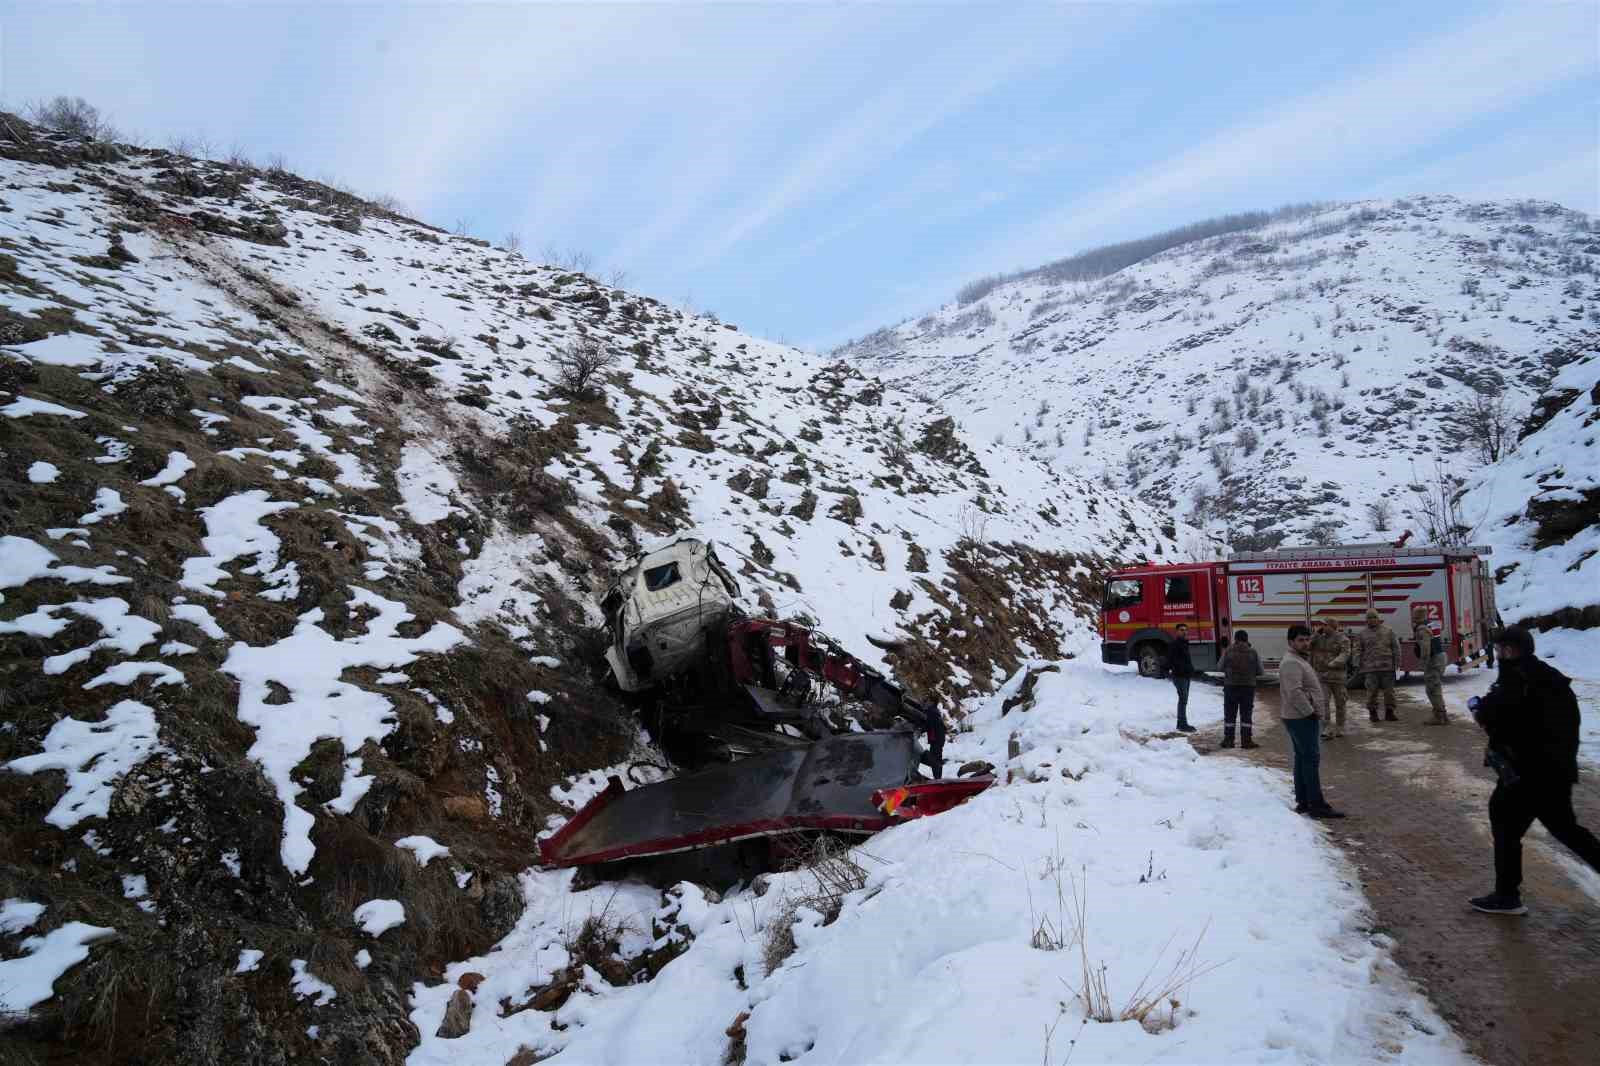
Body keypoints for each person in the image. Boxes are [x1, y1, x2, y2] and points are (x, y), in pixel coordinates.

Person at [1467, 626, 1600, 915]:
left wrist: (1482, 713)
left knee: (1506, 824)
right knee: (1567, 830)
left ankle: (1506, 896)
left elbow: (1502, 720)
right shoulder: (1547, 676)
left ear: (1511, 651)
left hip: (1528, 775)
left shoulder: (1518, 681)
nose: (1498, 655)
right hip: (1553, 772)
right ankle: (1506, 894)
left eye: (1500, 650)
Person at [1278, 624, 1346, 819]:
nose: (1306, 643)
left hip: (1298, 716)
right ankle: (1316, 805)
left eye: (1307, 639)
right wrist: (1310, 713)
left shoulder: (1298, 659)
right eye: (1301, 640)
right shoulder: (1292, 662)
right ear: (1291, 642)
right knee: (1310, 760)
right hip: (1301, 718)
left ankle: (1304, 801)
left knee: (1302, 759)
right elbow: (1294, 693)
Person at [1353, 608, 1401, 722]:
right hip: (1370, 669)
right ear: (1366, 620)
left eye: (1374, 617)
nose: (1372, 620)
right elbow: (1357, 650)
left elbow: (1396, 648)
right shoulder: (1361, 634)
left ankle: (1390, 712)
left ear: (1378, 618)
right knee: (1371, 692)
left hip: (1387, 668)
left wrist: (1398, 663)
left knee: (1389, 692)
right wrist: (1356, 664)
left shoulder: (1388, 631)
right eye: (1369, 618)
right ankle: (1373, 713)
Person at [1310, 615, 1352, 739]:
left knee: (1340, 702)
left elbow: (1345, 653)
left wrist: (1335, 662)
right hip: (1322, 677)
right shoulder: (1319, 638)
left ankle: (1340, 726)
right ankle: (1326, 728)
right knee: (1323, 703)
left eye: (1325, 625)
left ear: (1332, 626)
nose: (1322, 627)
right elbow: (1309, 646)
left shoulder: (1342, 638)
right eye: (1321, 625)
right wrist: (1316, 634)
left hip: (1337, 677)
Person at [1219, 630, 1261, 749]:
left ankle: (1228, 741)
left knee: (1230, 715)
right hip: (1248, 688)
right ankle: (1246, 741)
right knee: (1246, 715)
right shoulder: (1253, 652)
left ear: (1235, 639)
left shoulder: (1228, 651)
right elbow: (1260, 671)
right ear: (1247, 639)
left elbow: (1219, 667)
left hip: (1230, 687)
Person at [1412, 604, 1449, 725]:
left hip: (1433, 660)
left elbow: (1426, 647)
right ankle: (1443, 715)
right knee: (1435, 687)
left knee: (1432, 689)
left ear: (1417, 616)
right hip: (1440, 656)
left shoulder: (1421, 628)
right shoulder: (1431, 624)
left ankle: (1439, 716)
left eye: (1414, 615)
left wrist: (1423, 662)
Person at [1167, 623, 1197, 733]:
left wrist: (1191, 669)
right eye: (1181, 630)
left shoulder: (1184, 643)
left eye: (1186, 630)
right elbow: (1172, 661)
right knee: (1183, 700)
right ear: (1177, 631)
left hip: (1185, 676)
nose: (1184, 632)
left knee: (1184, 700)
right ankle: (1182, 723)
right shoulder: (1174, 645)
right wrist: (1182, 670)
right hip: (1179, 676)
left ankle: (1182, 723)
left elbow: (1186, 661)